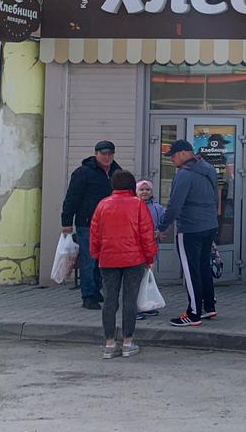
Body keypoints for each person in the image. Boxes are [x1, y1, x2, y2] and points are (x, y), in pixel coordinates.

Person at [90, 170, 158, 360]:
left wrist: (97, 254)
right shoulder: (138, 204)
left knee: (109, 300)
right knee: (130, 300)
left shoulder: (103, 204)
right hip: (134, 260)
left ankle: (109, 344)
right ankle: (128, 342)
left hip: (108, 259)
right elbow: (146, 234)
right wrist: (150, 258)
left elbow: (94, 234)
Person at [157, 139, 220, 327]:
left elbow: (175, 204)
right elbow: (215, 196)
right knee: (203, 266)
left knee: (191, 271)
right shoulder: (208, 169)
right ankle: (208, 306)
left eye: (173, 156)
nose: (172, 160)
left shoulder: (184, 175)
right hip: (209, 225)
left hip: (190, 228)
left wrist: (162, 226)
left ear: (184, 153)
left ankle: (193, 313)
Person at [60, 139, 121, 310]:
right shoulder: (83, 173)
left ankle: (95, 289)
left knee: (103, 260)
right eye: (103, 154)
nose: (107, 157)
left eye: (110, 154)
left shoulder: (117, 172)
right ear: (96, 154)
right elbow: (72, 198)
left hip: (109, 225)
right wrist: (66, 222)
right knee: (88, 260)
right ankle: (88, 296)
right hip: (87, 223)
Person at [135, 180, 165, 321]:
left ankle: (146, 304)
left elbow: (164, 221)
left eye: (147, 190)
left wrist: (160, 231)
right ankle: (135, 307)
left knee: (148, 278)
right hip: (137, 248)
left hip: (151, 247)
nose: (145, 192)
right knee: (137, 278)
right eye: (142, 189)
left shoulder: (157, 207)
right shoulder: (134, 206)